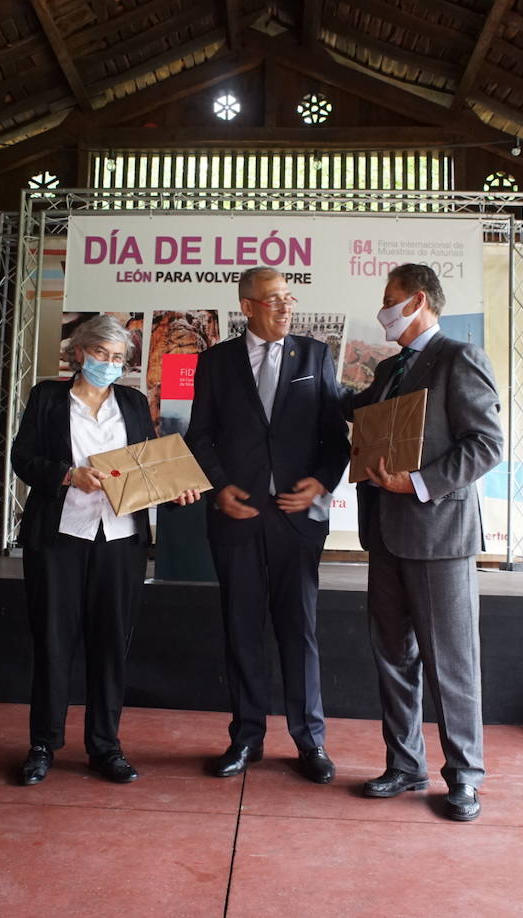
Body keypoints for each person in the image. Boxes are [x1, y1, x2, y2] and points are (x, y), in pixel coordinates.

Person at [11, 315, 199, 786]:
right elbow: (22, 457)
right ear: (80, 353)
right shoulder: (48, 397)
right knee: (54, 641)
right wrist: (66, 474)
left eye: (118, 359)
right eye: (101, 355)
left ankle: (105, 746)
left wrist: (174, 487)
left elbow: (149, 464)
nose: (109, 365)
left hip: (120, 540)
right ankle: (43, 744)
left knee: (111, 644)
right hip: (59, 537)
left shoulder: (134, 402)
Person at [346, 263, 503, 822]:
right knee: (392, 657)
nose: (381, 310)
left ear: (417, 301)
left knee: (451, 665)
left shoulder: (459, 358)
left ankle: (464, 778)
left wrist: (416, 483)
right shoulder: (390, 370)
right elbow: (357, 418)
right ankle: (405, 764)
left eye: (389, 299)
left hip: (439, 534)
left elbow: (486, 444)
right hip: (385, 536)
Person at [184, 267, 351, 783]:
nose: (286, 307)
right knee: (242, 628)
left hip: (297, 520)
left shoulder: (315, 355)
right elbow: (200, 436)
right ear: (248, 306)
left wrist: (321, 484)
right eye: (274, 300)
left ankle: (310, 742)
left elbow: (335, 439)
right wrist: (217, 486)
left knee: (299, 630)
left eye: (289, 298)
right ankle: (246, 738)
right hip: (236, 518)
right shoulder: (214, 362)